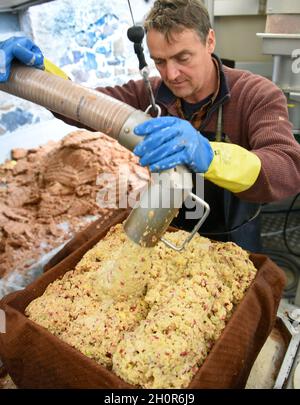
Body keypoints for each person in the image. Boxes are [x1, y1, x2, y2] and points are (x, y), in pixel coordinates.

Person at [1, 0, 300, 252]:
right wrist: (38, 72)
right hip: (171, 229)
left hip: (235, 237)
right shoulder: (150, 92)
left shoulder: (256, 94)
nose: (172, 74)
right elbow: (82, 107)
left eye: (183, 58)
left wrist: (209, 154)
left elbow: (287, 168)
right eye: (160, 61)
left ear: (210, 41)